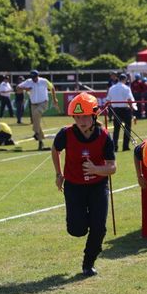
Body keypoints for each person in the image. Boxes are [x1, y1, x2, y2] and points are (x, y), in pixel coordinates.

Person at [51, 92, 116, 276]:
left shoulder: (104, 136)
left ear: (94, 115)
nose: (82, 120)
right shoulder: (66, 134)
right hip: (74, 187)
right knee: (77, 230)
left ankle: (88, 263)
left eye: (86, 116)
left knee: (99, 228)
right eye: (78, 117)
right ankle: (87, 220)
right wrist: (58, 173)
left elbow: (112, 167)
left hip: (98, 186)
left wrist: (96, 169)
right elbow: (55, 150)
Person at [17, 70, 59, 150]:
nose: (34, 80)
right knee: (36, 121)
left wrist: (54, 99)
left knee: (36, 115)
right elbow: (18, 88)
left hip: (43, 103)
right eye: (32, 78)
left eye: (35, 78)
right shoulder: (29, 82)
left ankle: (35, 132)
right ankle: (40, 142)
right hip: (33, 104)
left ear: (37, 76)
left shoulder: (44, 81)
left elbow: (52, 88)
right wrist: (26, 88)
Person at [106, 73, 136, 152]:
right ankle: (125, 146)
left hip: (116, 110)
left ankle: (115, 146)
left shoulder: (112, 88)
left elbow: (108, 99)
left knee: (116, 129)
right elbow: (129, 99)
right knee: (127, 128)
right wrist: (132, 109)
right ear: (125, 80)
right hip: (125, 109)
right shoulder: (126, 88)